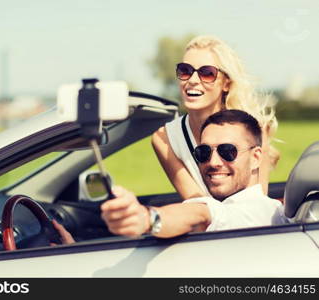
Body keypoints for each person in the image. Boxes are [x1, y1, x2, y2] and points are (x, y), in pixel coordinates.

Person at [101, 110, 287, 238]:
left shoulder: (254, 211)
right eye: (203, 152)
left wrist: (147, 219)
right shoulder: (272, 209)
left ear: (256, 158)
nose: (213, 162)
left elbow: (199, 214)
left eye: (228, 151)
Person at [151, 35, 279, 200]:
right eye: (185, 71)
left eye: (207, 73)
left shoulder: (254, 129)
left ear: (226, 83)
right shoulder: (164, 139)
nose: (192, 80)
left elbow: (257, 205)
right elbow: (198, 204)